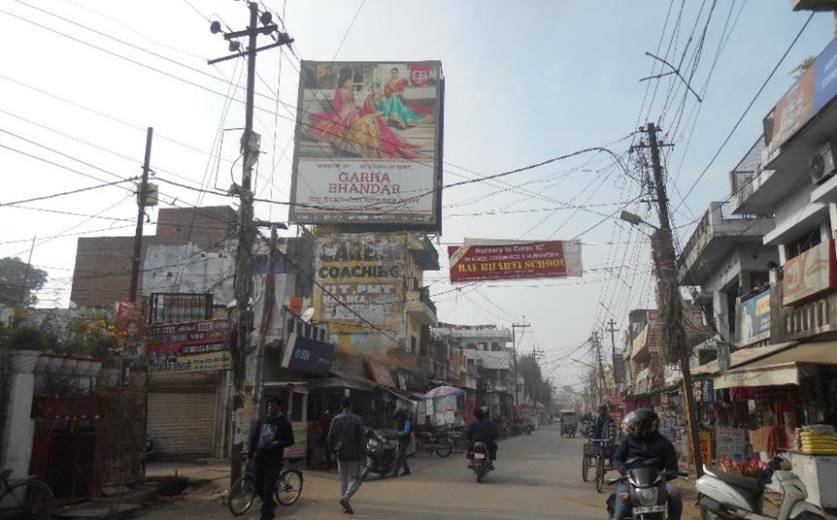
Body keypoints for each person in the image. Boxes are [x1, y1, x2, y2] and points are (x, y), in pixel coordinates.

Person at [611, 409, 683, 520]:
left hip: (657, 483)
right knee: (621, 512)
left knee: (675, 494)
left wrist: (669, 473)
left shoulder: (664, 443)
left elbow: (672, 465)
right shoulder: (628, 441)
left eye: (636, 425)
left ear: (646, 426)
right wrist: (624, 470)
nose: (633, 427)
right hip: (630, 482)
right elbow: (617, 458)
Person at [248, 396, 295, 520]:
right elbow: (254, 438)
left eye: (273, 406)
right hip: (260, 458)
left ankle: (267, 515)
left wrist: (278, 443)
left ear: (279, 407)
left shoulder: (284, 423)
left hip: (274, 460)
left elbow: (290, 440)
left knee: (268, 488)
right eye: (269, 406)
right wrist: (250, 456)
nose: (270, 408)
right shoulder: (263, 420)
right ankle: (270, 504)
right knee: (258, 486)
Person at [327, 398, 366, 515]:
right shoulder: (357, 419)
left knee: (343, 480)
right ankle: (346, 498)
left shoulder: (336, 419)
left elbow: (330, 437)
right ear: (351, 406)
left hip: (340, 453)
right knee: (357, 479)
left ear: (341, 406)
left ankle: (345, 506)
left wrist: (332, 452)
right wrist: (364, 455)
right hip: (355, 454)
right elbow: (362, 439)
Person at [393, 409, 413, 477]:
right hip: (400, 439)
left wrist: (397, 433)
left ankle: (395, 472)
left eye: (398, 417)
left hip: (405, 440)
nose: (398, 419)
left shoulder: (407, 421)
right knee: (402, 455)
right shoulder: (399, 421)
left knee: (400, 455)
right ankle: (407, 470)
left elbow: (406, 431)